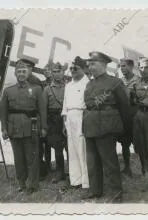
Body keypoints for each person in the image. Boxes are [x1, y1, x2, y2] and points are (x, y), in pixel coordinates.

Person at [82, 51, 131, 203]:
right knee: (92, 161)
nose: (90, 66)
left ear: (103, 65)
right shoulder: (89, 83)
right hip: (90, 126)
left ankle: (116, 192)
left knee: (109, 161)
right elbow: (89, 105)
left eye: (93, 63)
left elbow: (125, 107)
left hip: (107, 127)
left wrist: (126, 130)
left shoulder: (115, 82)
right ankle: (95, 190)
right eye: (89, 63)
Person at [0, 58, 47, 194]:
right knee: (18, 158)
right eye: (19, 71)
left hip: (30, 127)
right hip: (14, 129)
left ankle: (33, 184)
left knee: (32, 157)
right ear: (15, 73)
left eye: (24, 71)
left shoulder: (36, 89)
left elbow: (42, 110)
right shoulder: (8, 91)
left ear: (28, 73)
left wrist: (43, 127)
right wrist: (4, 128)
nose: (21, 74)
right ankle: (21, 183)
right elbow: (3, 112)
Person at [62, 56, 89, 190]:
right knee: (72, 149)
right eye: (71, 68)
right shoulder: (68, 85)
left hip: (81, 116)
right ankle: (75, 180)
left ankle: (86, 181)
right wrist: (64, 123)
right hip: (69, 117)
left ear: (83, 69)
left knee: (82, 149)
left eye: (75, 68)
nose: (72, 70)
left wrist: (85, 121)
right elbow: (65, 105)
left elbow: (88, 105)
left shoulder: (87, 83)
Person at [131, 57, 148, 192]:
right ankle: (146, 171)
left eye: (146, 67)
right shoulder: (136, 83)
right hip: (139, 116)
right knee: (139, 146)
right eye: (141, 67)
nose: (143, 70)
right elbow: (133, 100)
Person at [43, 62, 66, 183]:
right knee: (57, 148)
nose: (56, 74)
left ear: (63, 72)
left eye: (59, 71)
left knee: (70, 147)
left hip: (66, 118)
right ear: (51, 74)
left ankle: (74, 172)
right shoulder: (47, 89)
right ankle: (60, 172)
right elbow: (44, 108)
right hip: (54, 120)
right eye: (54, 72)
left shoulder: (69, 87)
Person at [118, 58, 141, 177]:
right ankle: (127, 167)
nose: (122, 68)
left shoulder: (138, 80)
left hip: (136, 116)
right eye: (121, 66)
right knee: (124, 143)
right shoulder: (119, 81)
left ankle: (145, 169)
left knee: (139, 144)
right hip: (124, 117)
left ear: (131, 67)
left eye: (124, 66)